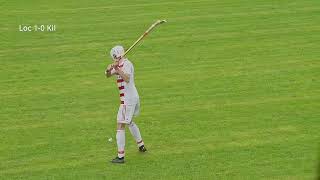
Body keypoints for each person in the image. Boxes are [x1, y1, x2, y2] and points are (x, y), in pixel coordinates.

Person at [105, 45, 147, 164]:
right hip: (130, 99)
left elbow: (127, 78)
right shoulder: (119, 64)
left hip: (128, 100)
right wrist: (109, 69)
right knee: (129, 122)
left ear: (115, 55)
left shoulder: (127, 64)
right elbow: (107, 75)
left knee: (120, 125)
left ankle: (120, 157)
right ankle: (141, 145)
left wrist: (117, 69)